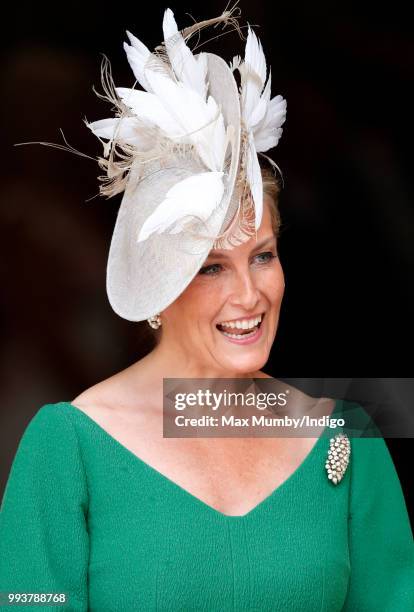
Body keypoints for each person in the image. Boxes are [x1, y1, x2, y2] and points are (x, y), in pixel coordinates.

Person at [0, 6, 413, 611]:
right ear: (159, 285)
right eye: (211, 267)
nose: (249, 294)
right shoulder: (70, 447)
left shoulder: (344, 440)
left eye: (263, 256)